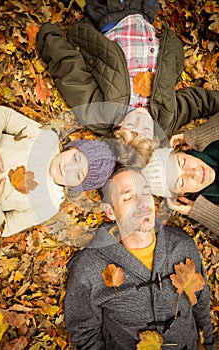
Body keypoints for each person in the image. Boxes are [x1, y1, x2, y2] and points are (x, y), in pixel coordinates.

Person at [64, 167, 214, 349]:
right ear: (110, 211)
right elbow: (84, 333)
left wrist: (208, 344)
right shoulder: (87, 267)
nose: (143, 203)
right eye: (128, 198)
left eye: (145, 193)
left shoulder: (182, 245)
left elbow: (201, 303)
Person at [36, 0, 219, 139]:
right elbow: (196, 103)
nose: (139, 118)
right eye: (146, 129)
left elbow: (71, 73)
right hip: (145, 15)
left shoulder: (100, 114)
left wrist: (49, 37)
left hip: (111, 17)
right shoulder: (165, 118)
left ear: (117, 131)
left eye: (131, 127)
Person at [0, 105, 118, 237]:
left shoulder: (48, 206)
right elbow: (3, 115)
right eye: (75, 158)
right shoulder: (46, 140)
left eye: (78, 175)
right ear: (73, 148)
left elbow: (4, 228)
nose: (68, 168)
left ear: (77, 186)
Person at [140, 112, 219, 242]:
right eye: (181, 182)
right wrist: (204, 214)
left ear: (182, 151)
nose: (194, 173)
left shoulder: (210, 141)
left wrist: (198, 136)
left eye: (183, 162)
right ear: (181, 194)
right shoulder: (203, 209)